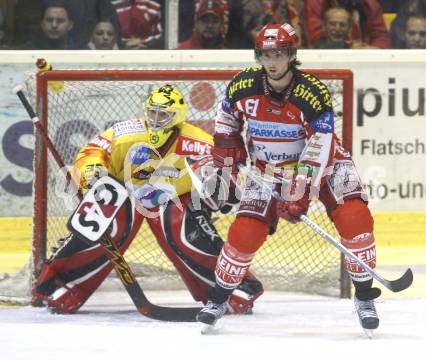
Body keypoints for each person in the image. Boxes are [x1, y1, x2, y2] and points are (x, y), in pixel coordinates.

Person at [196, 23, 382, 333]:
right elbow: (226, 117)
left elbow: (320, 147)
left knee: (355, 218)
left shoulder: (312, 92)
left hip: (328, 166)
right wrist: (230, 154)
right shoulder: (243, 86)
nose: (272, 62)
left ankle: (364, 296)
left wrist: (299, 194)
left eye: (279, 54)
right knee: (244, 233)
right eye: (266, 54)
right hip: (269, 170)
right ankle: (218, 299)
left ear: (292, 55)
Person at [33, 84, 263, 315]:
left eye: (163, 114)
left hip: (173, 198)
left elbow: (226, 175)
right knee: (106, 213)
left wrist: (222, 188)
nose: (156, 119)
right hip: (123, 192)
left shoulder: (198, 143)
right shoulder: (126, 133)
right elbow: (93, 150)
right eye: (152, 112)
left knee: (182, 228)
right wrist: (92, 172)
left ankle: (229, 288)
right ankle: (58, 283)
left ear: (178, 116)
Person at [304, 0, 391, 48]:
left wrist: (375, 50)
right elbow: (317, 39)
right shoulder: (317, 2)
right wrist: (352, 48)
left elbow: (381, 37)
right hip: (326, 55)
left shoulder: (370, 4)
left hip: (363, 57)